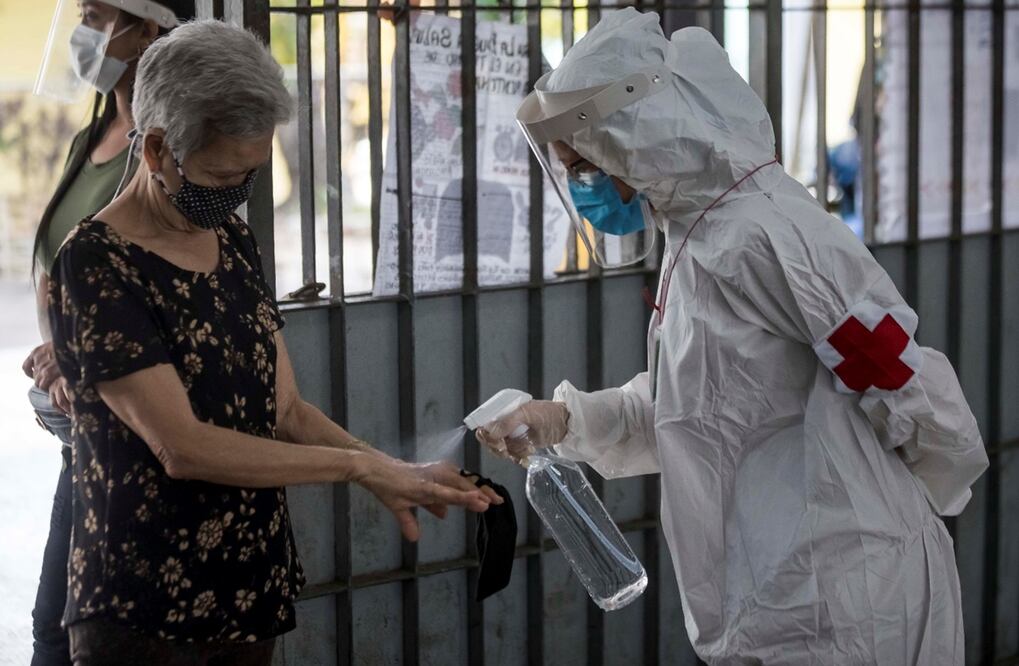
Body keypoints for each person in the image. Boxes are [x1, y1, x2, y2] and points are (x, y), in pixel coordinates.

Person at [479, 9, 988, 664]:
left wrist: (925, 495)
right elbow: (698, 410)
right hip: (779, 592)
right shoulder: (696, 234)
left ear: (637, 138)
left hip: (848, 594)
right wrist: (560, 420)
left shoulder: (767, 235)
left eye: (585, 164)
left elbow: (897, 380)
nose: (585, 186)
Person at [47, 19, 498, 665]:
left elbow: (284, 412)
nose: (236, 194)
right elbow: (182, 445)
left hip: (246, 576)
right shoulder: (95, 261)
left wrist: (393, 471)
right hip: (145, 599)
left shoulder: (231, 239)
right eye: (221, 173)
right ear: (153, 150)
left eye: (250, 174)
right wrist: (358, 467)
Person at [25, 2, 195, 663]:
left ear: (148, 27)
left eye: (98, 15)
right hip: (84, 419)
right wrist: (56, 352)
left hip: (139, 424)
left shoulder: (168, 148)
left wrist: (80, 356)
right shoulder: (89, 141)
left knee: (77, 631)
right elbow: (54, 266)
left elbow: (173, 286)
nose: (85, 32)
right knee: (53, 625)